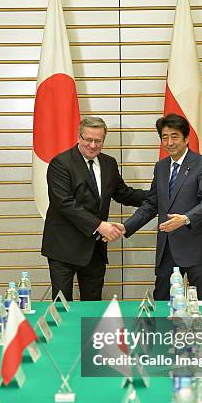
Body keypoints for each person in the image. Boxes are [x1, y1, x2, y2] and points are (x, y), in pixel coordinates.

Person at [41, 117, 146, 301]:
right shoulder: (60, 163)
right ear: (79, 137)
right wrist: (100, 225)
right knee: (62, 306)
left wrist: (158, 195)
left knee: (93, 307)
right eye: (88, 139)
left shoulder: (109, 163)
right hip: (63, 248)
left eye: (98, 141)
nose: (92, 145)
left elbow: (123, 193)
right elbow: (64, 203)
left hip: (94, 249)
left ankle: (88, 332)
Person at [122, 113, 202, 300]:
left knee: (201, 305)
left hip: (197, 247)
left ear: (186, 138)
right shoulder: (161, 167)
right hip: (167, 249)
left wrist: (185, 218)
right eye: (164, 137)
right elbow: (151, 203)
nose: (169, 142)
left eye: (174, 136)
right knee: (162, 303)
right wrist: (126, 226)